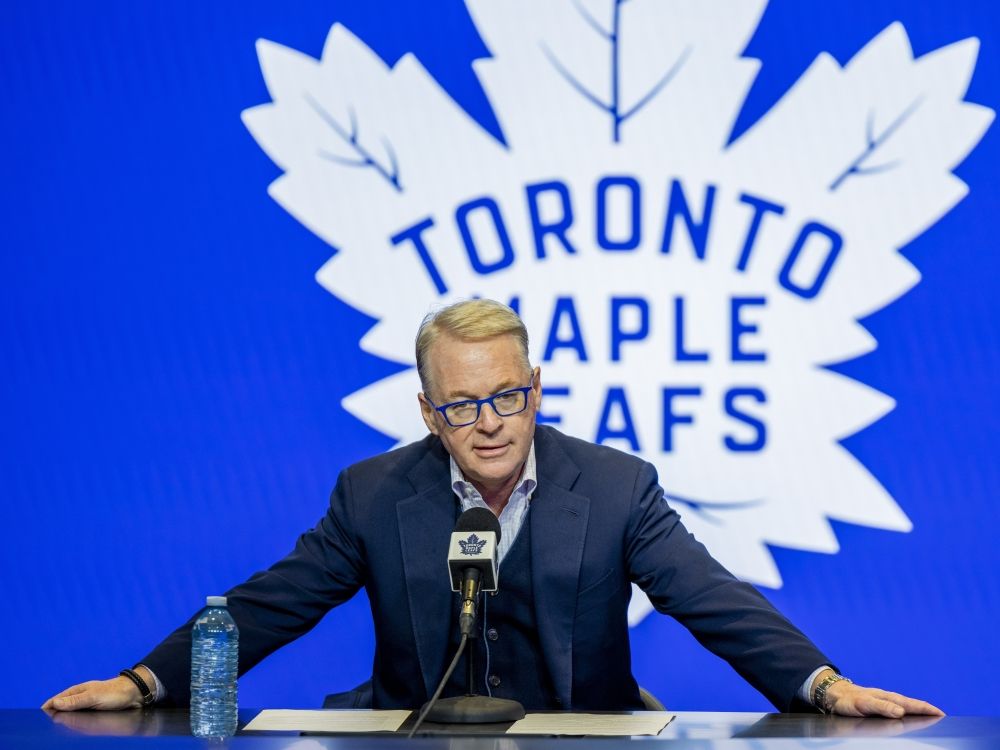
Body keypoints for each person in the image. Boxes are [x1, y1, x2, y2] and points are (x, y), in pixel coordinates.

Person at [44, 299, 943, 718]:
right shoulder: (374, 493)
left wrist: (824, 685)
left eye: (507, 397)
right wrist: (144, 680)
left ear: (537, 392)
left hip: (578, 744)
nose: (490, 425)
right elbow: (272, 601)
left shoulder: (618, 486)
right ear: (431, 413)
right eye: (464, 406)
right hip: (411, 743)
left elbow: (712, 598)